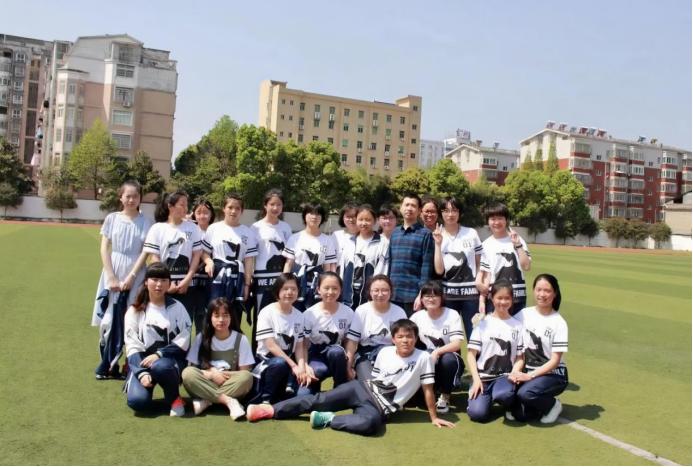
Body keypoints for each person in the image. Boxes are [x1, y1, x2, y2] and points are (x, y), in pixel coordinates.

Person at [246, 319, 456, 436]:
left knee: (370, 425)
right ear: (393, 339)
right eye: (400, 336)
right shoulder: (384, 352)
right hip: (360, 389)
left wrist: (433, 417)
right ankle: (269, 410)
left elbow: (428, 389)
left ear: (416, 338)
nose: (405, 340)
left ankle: (328, 419)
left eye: (409, 337)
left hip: (378, 408)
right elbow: (374, 379)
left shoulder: (423, 358)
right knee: (318, 400)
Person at [92, 180, 153, 380]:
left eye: (135, 196)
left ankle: (130, 363)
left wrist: (132, 276)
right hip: (114, 270)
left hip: (137, 273)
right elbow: (104, 248)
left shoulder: (146, 222)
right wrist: (110, 275)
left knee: (134, 318)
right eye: (128, 196)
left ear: (140, 198)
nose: (131, 200)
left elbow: (145, 251)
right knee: (109, 318)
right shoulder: (112, 219)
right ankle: (109, 363)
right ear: (121, 197)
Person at [123, 262, 192, 416]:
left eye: (163, 280)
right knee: (137, 402)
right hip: (142, 363)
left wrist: (159, 354)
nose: (159, 284)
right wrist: (141, 373)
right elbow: (132, 345)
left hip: (169, 363)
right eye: (154, 280)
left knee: (160, 366)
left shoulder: (178, 307)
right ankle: (146, 387)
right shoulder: (134, 310)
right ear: (146, 282)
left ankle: (174, 399)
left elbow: (185, 338)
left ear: (169, 283)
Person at [508, 274, 568, 424]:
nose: (542, 294)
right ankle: (532, 405)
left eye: (547, 291)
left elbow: (555, 361)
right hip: (527, 371)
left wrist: (530, 376)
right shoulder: (523, 314)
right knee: (520, 415)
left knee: (526, 393)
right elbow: (505, 327)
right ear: (533, 290)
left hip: (553, 374)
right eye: (538, 289)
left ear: (555, 293)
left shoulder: (559, 323)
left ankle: (553, 405)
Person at [182, 297, 254, 420]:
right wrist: (211, 374)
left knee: (247, 377)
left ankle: (207, 400)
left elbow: (244, 371)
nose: (221, 320)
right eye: (216, 315)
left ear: (231, 317)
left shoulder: (241, 339)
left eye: (225, 315)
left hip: (228, 383)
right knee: (187, 373)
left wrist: (220, 374)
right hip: (206, 381)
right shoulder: (201, 338)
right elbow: (193, 369)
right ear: (210, 318)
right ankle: (228, 401)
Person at [466, 279, 524, 423]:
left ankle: (505, 398)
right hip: (483, 377)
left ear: (512, 299)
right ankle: (483, 398)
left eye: (507, 298)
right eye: (499, 298)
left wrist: (514, 373)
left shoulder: (518, 326)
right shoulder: (482, 323)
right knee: (477, 414)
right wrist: (476, 379)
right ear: (492, 298)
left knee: (504, 395)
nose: (503, 302)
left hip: (504, 377)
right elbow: (471, 354)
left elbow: (520, 357)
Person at [143, 191, 203, 321]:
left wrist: (187, 280)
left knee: (184, 324)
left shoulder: (193, 228)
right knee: (161, 323)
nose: (186, 208)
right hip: (162, 286)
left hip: (186, 286)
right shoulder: (157, 228)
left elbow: (196, 256)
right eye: (182, 204)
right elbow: (154, 258)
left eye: (186, 205)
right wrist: (165, 283)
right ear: (170, 206)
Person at [252, 273, 310, 403]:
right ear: (277, 291)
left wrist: (301, 368)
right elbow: (271, 345)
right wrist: (294, 365)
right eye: (285, 289)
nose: (289, 292)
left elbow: (299, 346)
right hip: (268, 363)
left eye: (293, 289)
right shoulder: (266, 312)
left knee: (304, 395)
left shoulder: (299, 316)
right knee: (279, 363)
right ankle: (265, 399)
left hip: (289, 365)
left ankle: (282, 394)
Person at [201, 193, 258, 325]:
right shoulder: (214, 228)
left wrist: (246, 285)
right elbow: (204, 252)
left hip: (237, 278)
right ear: (224, 208)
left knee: (234, 316)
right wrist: (209, 262)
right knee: (214, 313)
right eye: (230, 207)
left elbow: (249, 261)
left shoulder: (247, 232)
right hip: (217, 277)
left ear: (242, 211)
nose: (233, 211)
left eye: (237, 208)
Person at [431, 196, 484, 338]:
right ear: (441, 213)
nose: (450, 214)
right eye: (446, 210)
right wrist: (438, 244)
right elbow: (439, 270)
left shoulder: (471, 233)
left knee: (475, 336)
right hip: (448, 295)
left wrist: (479, 281)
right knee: (449, 338)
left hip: (471, 295)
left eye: (454, 210)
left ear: (459, 212)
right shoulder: (436, 234)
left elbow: (480, 262)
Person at [410, 280, 465, 414]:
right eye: (427, 296)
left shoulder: (452, 314)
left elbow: (457, 344)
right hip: (428, 358)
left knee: (448, 360)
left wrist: (437, 352)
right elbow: (406, 337)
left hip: (449, 357)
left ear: (442, 297)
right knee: (419, 402)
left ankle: (445, 395)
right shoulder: (417, 317)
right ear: (421, 299)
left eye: (435, 295)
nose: (431, 299)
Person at [250, 189, 293, 350]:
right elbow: (250, 256)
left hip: (280, 279)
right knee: (261, 317)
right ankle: (257, 355)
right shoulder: (256, 227)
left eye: (279, 205)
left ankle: (279, 353)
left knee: (280, 318)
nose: (275, 208)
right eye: (272, 204)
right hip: (261, 278)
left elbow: (289, 256)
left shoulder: (286, 227)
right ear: (265, 205)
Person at [345, 275, 407, 381]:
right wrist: (348, 367)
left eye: (385, 290)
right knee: (371, 384)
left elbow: (405, 341)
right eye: (376, 290)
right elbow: (352, 342)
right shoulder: (362, 310)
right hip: (365, 355)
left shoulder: (399, 312)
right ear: (370, 292)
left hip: (391, 356)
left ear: (391, 292)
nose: (380, 294)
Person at [301, 272, 354, 395]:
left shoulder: (348, 312)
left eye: (335, 288)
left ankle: (340, 388)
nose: (330, 292)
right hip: (315, 356)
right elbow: (304, 344)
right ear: (318, 289)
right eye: (326, 288)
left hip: (337, 356)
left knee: (336, 352)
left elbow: (349, 342)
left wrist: (349, 367)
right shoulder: (309, 314)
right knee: (302, 395)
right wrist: (305, 366)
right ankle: (315, 389)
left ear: (341, 290)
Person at [478, 203, 531, 315]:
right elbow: (486, 275)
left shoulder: (517, 240)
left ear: (506, 220)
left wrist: (518, 245)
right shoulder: (486, 245)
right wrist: (482, 301)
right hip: (495, 299)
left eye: (500, 218)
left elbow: (526, 266)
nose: (496, 222)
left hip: (517, 297)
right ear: (488, 221)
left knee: (517, 327)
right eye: (493, 219)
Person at [283, 202, 337, 311]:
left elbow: (327, 268)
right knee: (295, 314)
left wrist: (327, 286)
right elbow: (288, 264)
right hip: (297, 283)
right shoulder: (295, 238)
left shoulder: (327, 240)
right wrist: (285, 284)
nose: (314, 217)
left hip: (317, 285)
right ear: (304, 216)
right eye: (311, 213)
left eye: (318, 214)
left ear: (322, 218)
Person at [388, 194, 434, 316]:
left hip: (413, 296)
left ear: (419, 211)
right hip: (393, 294)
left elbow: (426, 268)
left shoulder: (425, 234)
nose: (409, 208)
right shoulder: (395, 233)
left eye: (413, 206)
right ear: (401, 208)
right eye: (406, 205)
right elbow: (390, 265)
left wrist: (421, 294)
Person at [339, 204, 389, 309]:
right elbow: (343, 269)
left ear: (375, 221)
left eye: (368, 220)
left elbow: (382, 270)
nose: (364, 223)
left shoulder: (382, 242)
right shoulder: (349, 241)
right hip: (348, 296)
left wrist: (376, 291)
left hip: (369, 297)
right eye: (360, 219)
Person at [188, 198, 215, 334]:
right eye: (198, 212)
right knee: (187, 316)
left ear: (211, 214)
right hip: (190, 279)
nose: (202, 216)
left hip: (208, 280)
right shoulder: (189, 229)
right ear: (193, 214)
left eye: (205, 212)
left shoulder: (215, 230)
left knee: (203, 317)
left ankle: (202, 345)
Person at [331, 202, 359, 270]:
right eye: (348, 217)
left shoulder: (365, 236)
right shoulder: (336, 236)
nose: (351, 220)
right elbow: (331, 260)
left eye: (354, 216)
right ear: (342, 218)